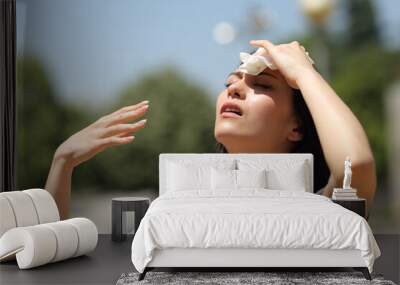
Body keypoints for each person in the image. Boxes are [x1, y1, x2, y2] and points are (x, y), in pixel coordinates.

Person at [45, 40, 377, 220]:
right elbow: (52, 245)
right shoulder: (180, 207)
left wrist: (304, 73)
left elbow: (356, 165)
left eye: (262, 84)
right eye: (229, 83)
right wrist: (63, 162)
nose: (234, 89)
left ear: (296, 127)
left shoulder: (317, 210)